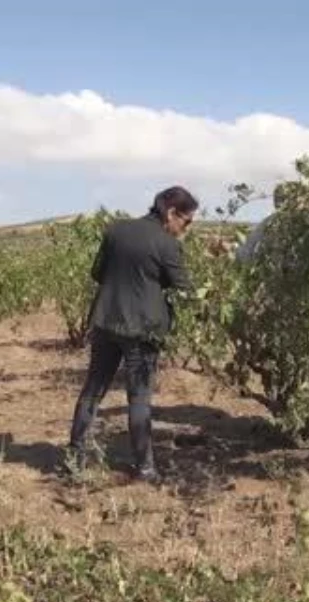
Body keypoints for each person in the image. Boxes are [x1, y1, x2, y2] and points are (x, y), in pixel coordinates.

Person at [66, 185, 197, 482]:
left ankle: (74, 459)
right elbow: (185, 289)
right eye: (186, 222)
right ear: (171, 212)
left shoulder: (117, 230)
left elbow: (97, 273)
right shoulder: (167, 244)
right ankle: (145, 467)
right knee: (139, 397)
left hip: (106, 321)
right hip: (142, 330)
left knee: (93, 390)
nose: (185, 229)